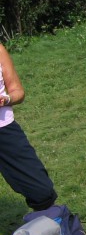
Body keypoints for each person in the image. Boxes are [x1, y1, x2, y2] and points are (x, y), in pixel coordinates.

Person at [0, 43, 58, 212]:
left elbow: (18, 92)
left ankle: (49, 225)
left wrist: (5, 100)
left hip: (4, 128)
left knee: (41, 190)